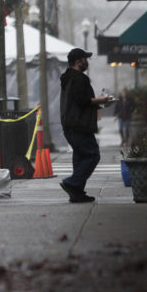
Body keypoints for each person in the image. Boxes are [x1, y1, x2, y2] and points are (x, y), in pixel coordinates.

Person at [59, 48, 113, 203]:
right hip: (80, 125)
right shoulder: (78, 78)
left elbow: (78, 103)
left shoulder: (67, 78)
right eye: (85, 59)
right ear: (78, 62)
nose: (87, 62)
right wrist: (101, 100)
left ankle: (77, 193)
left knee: (80, 157)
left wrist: (100, 105)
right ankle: (72, 183)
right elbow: (83, 100)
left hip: (70, 124)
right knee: (92, 155)